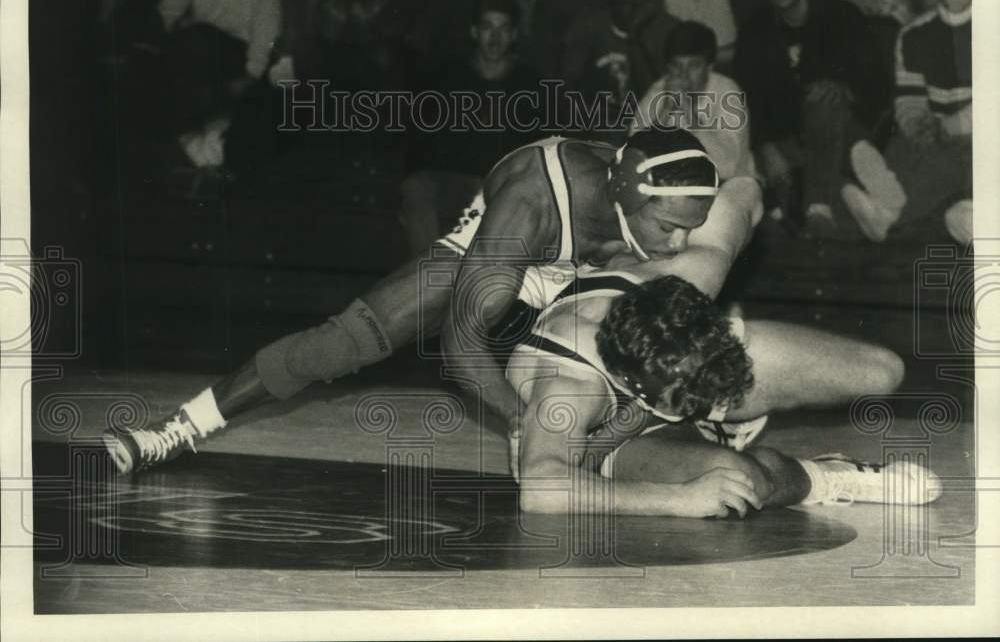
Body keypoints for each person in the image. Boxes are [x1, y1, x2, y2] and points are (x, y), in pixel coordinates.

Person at [104, 128, 721, 474]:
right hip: (508, 251)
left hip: (580, 262)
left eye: (689, 224)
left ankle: (717, 422)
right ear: (623, 193)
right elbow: (460, 347)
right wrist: (517, 420)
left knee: (671, 320)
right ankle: (176, 428)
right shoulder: (528, 210)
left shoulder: (650, 189)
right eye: (667, 225)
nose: (678, 238)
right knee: (342, 343)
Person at [507, 174, 938, 516]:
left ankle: (717, 420)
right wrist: (680, 501)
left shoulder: (696, 268)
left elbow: (744, 190)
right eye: (687, 400)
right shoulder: (569, 385)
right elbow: (541, 488)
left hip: (672, 358)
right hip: (612, 437)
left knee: (880, 372)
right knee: (739, 481)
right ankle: (829, 475)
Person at [735, 0, 892, 239]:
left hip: (843, 121)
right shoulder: (754, 31)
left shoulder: (842, 15)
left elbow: (878, 81)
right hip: (789, 141)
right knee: (774, 182)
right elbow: (747, 99)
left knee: (822, 99)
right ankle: (851, 194)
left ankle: (819, 207)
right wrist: (766, 148)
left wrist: (844, 88)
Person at [841, 0, 972, 243]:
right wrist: (917, 125)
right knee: (905, 146)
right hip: (934, 125)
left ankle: (887, 212)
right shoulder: (914, 35)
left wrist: (947, 128)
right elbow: (909, 98)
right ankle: (888, 193)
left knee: (951, 161)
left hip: (974, 132)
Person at [400, 0, 541, 255]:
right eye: (487, 27)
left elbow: (539, 150)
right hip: (455, 181)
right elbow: (421, 145)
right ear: (474, 32)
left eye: (504, 29)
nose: (495, 38)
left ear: (514, 35)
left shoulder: (530, 85)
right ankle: (433, 277)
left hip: (504, 186)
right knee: (416, 187)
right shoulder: (446, 79)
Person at [157, 0, 282, 169]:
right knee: (190, 44)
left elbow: (267, 24)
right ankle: (200, 144)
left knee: (197, 38)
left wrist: (251, 73)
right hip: (206, 55)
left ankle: (207, 144)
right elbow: (166, 13)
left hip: (244, 56)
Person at [562, 0, 677, 144]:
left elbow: (660, 95)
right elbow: (569, 87)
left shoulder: (667, 31)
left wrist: (634, 38)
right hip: (598, 123)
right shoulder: (587, 26)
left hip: (650, 122)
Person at [630, 21, 754, 181]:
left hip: (734, 185)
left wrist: (689, 111)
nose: (684, 75)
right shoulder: (659, 90)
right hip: (678, 189)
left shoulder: (728, 92)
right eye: (676, 66)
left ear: (709, 67)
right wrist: (666, 110)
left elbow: (728, 167)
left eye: (693, 66)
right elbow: (634, 159)